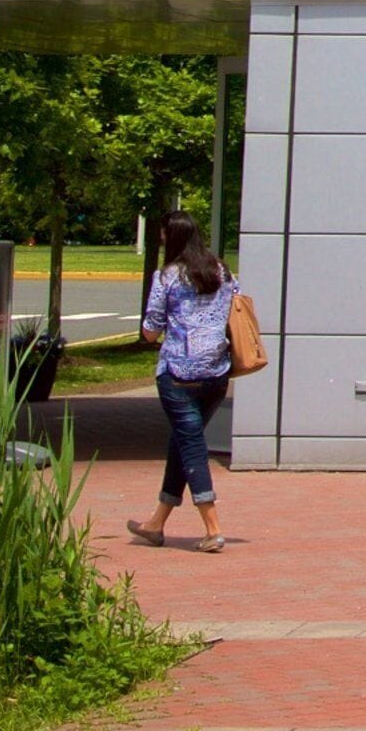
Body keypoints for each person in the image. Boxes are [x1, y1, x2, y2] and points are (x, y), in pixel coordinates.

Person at [128, 212, 243, 555]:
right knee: (183, 441)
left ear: (171, 236)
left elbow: (151, 329)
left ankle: (213, 528)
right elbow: (237, 307)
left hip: (178, 375)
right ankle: (156, 524)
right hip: (216, 375)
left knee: (191, 445)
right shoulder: (221, 272)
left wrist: (160, 330)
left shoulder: (167, 277)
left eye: (163, 233)